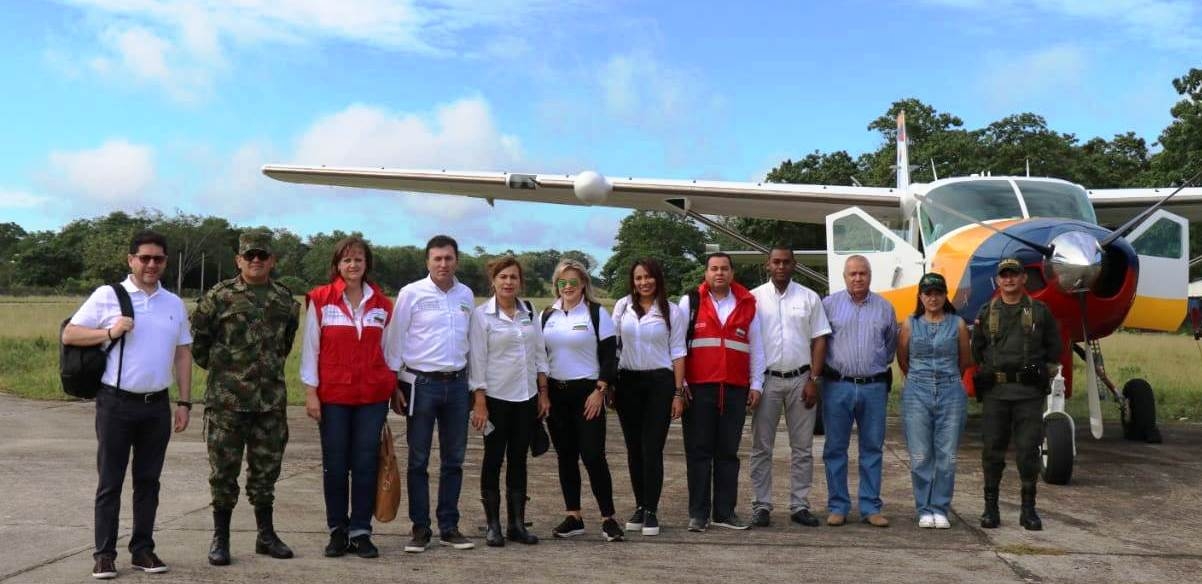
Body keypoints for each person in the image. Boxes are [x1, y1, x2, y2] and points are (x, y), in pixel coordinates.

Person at [63, 230, 193, 579]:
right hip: (116, 403)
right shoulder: (108, 296)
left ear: (165, 262)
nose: (151, 264)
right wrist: (109, 332)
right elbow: (70, 334)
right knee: (110, 481)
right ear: (131, 259)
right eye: (145, 258)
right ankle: (104, 554)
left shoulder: (173, 303)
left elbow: (182, 354)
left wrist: (184, 401)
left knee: (149, 482)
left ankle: (143, 550)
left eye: (158, 259)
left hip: (156, 406)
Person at [192, 231, 300, 566]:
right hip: (227, 403)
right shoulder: (218, 297)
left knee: (265, 473)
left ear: (272, 260)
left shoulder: (285, 301)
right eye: (249, 255)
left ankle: (265, 535)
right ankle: (220, 539)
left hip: (269, 403)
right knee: (223, 473)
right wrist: (229, 375)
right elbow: (200, 346)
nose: (256, 261)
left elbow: (285, 345)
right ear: (238, 260)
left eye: (262, 256)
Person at [299, 237, 395, 558]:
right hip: (334, 397)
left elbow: (391, 352)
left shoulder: (382, 305)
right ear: (337, 265)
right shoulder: (320, 300)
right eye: (347, 260)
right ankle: (337, 530)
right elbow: (310, 349)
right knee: (336, 466)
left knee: (366, 464)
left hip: (372, 397)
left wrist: (392, 386)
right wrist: (311, 392)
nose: (353, 265)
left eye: (359, 260)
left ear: (367, 264)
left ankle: (361, 531)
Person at [383, 235, 476, 552]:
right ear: (428, 262)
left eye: (448, 258)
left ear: (456, 261)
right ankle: (420, 528)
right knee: (418, 460)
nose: (443, 264)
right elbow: (395, 338)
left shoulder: (466, 295)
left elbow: (472, 342)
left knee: (454, 460)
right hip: (421, 385)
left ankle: (449, 526)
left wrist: (475, 388)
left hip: (458, 385)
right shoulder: (411, 293)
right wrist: (394, 382)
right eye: (437, 258)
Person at [972, 257, 1061, 531]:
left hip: (1027, 394)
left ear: (1024, 279)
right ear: (998, 280)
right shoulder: (988, 312)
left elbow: (1054, 349)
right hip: (997, 393)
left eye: (1014, 275)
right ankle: (990, 508)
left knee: (1027, 452)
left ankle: (1028, 510)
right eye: (1004, 275)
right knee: (992, 452)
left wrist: (1042, 373)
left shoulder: (1040, 312)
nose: (1009, 279)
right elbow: (978, 350)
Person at [679, 252, 764, 532]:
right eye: (714, 268)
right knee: (699, 451)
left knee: (728, 452)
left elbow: (757, 346)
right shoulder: (690, 302)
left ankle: (725, 512)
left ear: (732, 272)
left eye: (724, 269)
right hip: (699, 388)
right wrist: (681, 385)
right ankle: (698, 514)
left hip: (735, 389)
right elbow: (677, 345)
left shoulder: (748, 303)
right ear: (705, 273)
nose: (719, 273)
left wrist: (756, 384)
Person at [468, 256, 550, 547]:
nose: (508, 282)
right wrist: (479, 401)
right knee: (493, 460)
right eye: (503, 277)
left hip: (526, 398)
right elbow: (477, 360)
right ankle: (493, 525)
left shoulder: (529, 310)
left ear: (520, 282)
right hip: (495, 399)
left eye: (513, 277)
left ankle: (516, 524)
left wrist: (543, 391)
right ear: (493, 281)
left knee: (519, 461)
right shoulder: (482, 316)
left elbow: (539, 353)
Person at [540, 259, 624, 542]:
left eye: (573, 283)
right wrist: (543, 393)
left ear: (584, 285)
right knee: (566, 456)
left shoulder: (598, 314)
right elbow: (540, 357)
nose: (568, 288)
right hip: (556, 393)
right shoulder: (546, 315)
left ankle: (608, 517)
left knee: (592, 455)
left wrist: (601, 389)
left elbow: (610, 355)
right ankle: (573, 515)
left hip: (588, 393)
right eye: (562, 283)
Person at [748, 246, 831, 529]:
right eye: (776, 262)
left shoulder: (809, 297)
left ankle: (799, 504)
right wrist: (753, 382)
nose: (781, 266)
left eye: (786, 262)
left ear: (794, 265)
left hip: (801, 379)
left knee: (803, 448)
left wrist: (814, 379)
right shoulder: (753, 298)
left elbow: (820, 339)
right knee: (761, 446)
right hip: (766, 379)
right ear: (767, 265)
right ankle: (761, 504)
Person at [821, 255, 899, 528]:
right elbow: (820, 342)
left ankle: (870, 507)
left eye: (862, 273)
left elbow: (890, 347)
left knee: (872, 449)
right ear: (844, 277)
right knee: (835, 449)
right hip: (837, 386)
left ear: (869, 275)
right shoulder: (828, 305)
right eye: (852, 274)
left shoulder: (885, 308)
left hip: (874, 387)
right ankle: (838, 506)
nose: (858, 278)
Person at [612, 258, 687, 537]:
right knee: (634, 448)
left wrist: (678, 392)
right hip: (628, 382)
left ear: (657, 279)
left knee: (652, 448)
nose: (644, 283)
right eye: (638, 278)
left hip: (660, 383)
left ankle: (652, 509)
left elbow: (678, 352)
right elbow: (613, 347)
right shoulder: (622, 307)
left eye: (648, 277)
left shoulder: (672, 311)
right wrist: (608, 384)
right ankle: (640, 506)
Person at [897, 272, 971, 529]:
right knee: (919, 454)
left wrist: (948, 379)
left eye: (938, 292)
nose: (933, 298)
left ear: (945, 295)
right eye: (928, 293)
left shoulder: (958, 324)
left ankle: (940, 507)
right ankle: (923, 508)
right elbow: (903, 358)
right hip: (917, 390)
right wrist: (919, 379)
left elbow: (964, 360)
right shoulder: (910, 323)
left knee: (947, 455)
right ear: (920, 296)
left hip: (950, 390)